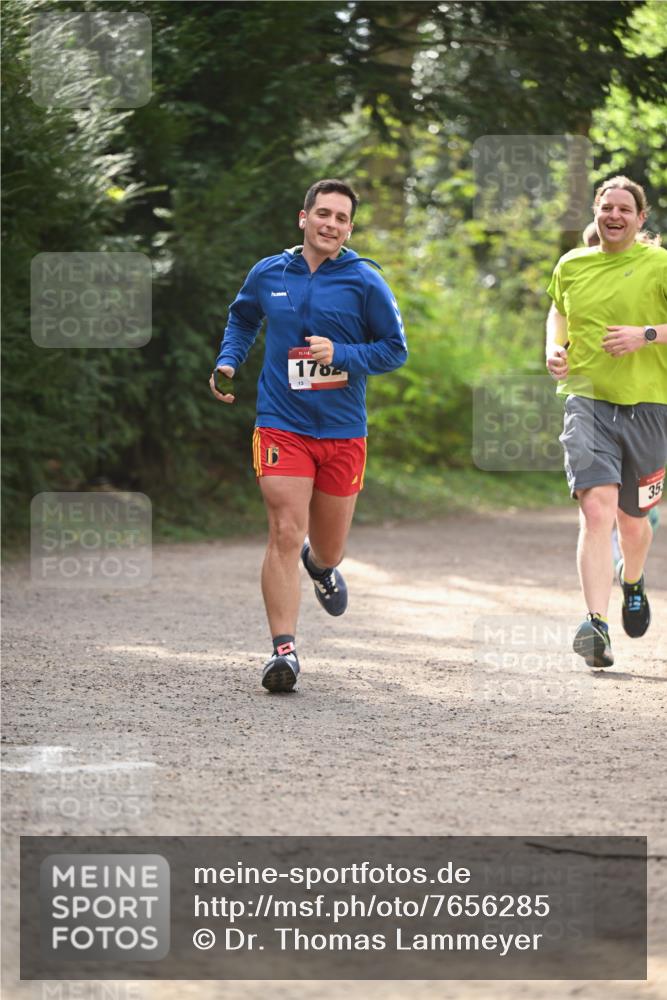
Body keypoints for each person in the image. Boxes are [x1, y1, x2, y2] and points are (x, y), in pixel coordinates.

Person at [209, 179, 407, 692]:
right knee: (282, 529)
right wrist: (229, 360)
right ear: (304, 218)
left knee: (328, 547)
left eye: (341, 218)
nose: (331, 224)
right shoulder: (269, 272)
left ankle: (320, 568)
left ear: (350, 228)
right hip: (281, 422)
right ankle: (284, 651)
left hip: (342, 431)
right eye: (323, 214)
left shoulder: (365, 281)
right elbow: (242, 316)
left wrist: (341, 354)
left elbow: (394, 350)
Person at [546, 176, 667, 669]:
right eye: (606, 207)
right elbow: (558, 311)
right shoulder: (572, 264)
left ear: (641, 219)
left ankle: (632, 580)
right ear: (596, 214)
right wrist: (555, 348)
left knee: (633, 523)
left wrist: (647, 334)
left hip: (651, 407)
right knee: (597, 510)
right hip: (587, 400)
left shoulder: (660, 264)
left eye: (624, 209)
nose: (614, 215)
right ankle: (596, 624)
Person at [580, 220, 661, 563]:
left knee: (637, 515)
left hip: (650, 403)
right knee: (596, 502)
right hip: (596, 403)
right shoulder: (585, 283)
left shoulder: (653, 273)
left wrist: (645, 334)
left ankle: (636, 533)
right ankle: (609, 546)